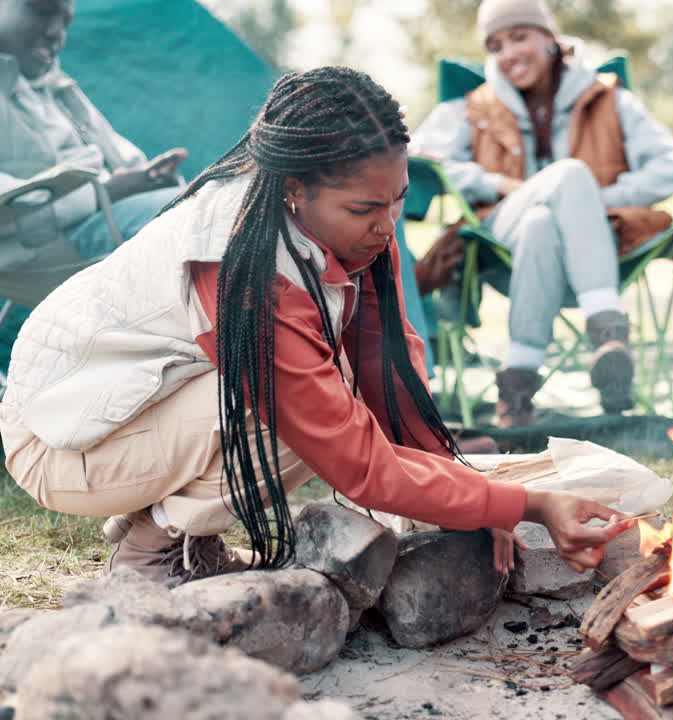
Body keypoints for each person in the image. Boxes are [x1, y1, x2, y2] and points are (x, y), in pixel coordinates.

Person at [0, 66, 631, 588]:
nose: (388, 225)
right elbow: (357, 463)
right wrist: (529, 504)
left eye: (399, 199)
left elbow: (392, 373)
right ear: (297, 191)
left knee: (331, 386)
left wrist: (470, 493)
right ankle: (151, 553)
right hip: (59, 439)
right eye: (367, 208)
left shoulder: (345, 221)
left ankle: (176, 526)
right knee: (293, 413)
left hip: (134, 406)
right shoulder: (243, 268)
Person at [413, 0, 673, 427]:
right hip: (497, 242)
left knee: (542, 221)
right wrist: (495, 184)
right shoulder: (472, 106)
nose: (508, 54)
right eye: (496, 45)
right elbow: (418, 154)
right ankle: (608, 330)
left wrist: (591, 198)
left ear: (550, 38)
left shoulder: (608, 97)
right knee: (564, 181)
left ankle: (518, 385)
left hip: (593, 249)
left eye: (520, 37)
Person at [0, 0, 186, 262]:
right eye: (42, 12)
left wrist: (149, 177)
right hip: (52, 246)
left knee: (222, 204)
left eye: (65, 24)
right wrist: (106, 194)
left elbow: (123, 156)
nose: (57, 35)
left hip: (114, 216)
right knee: (210, 220)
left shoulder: (58, 89)